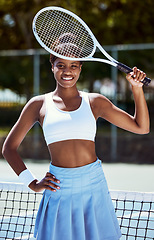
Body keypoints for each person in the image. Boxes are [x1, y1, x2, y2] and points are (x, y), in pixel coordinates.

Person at [2, 49, 150, 240]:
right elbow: (9, 148)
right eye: (61, 65)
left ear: (80, 68)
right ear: (52, 66)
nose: (67, 71)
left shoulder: (95, 101)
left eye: (73, 65)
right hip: (58, 187)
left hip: (93, 184)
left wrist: (136, 89)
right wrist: (32, 184)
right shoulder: (38, 104)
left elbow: (141, 127)